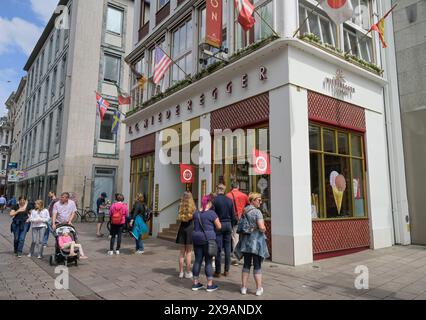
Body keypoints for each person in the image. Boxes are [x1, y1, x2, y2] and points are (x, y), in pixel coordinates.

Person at [235, 192, 270, 296]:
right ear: (253, 200)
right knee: (257, 265)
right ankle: (259, 288)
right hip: (256, 243)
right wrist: (264, 229)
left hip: (246, 243)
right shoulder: (257, 212)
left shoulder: (245, 210)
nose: (260, 202)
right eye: (258, 200)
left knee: (246, 265)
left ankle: (244, 288)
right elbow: (261, 227)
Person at [191, 194, 222, 292]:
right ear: (209, 202)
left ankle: (195, 283)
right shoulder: (212, 213)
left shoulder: (195, 213)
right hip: (208, 239)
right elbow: (219, 226)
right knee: (208, 261)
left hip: (196, 239)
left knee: (197, 260)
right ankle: (209, 285)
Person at [212, 184, 236, 277]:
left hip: (219, 224)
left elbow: (212, 214)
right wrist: (232, 225)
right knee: (227, 248)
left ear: (217, 189)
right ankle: (226, 270)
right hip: (228, 224)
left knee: (218, 248)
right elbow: (233, 215)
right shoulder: (229, 200)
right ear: (224, 190)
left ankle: (218, 271)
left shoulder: (214, 200)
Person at [227, 182, 249, 266]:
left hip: (232, 219)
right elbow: (248, 206)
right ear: (238, 187)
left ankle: (235, 257)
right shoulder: (244, 195)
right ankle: (244, 255)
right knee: (243, 237)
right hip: (242, 219)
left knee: (234, 237)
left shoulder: (228, 195)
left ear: (231, 187)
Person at [176, 191, 196, 279]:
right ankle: (188, 272)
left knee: (181, 253)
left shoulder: (180, 207)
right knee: (189, 253)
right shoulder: (193, 208)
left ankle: (180, 272)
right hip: (190, 229)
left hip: (182, 229)